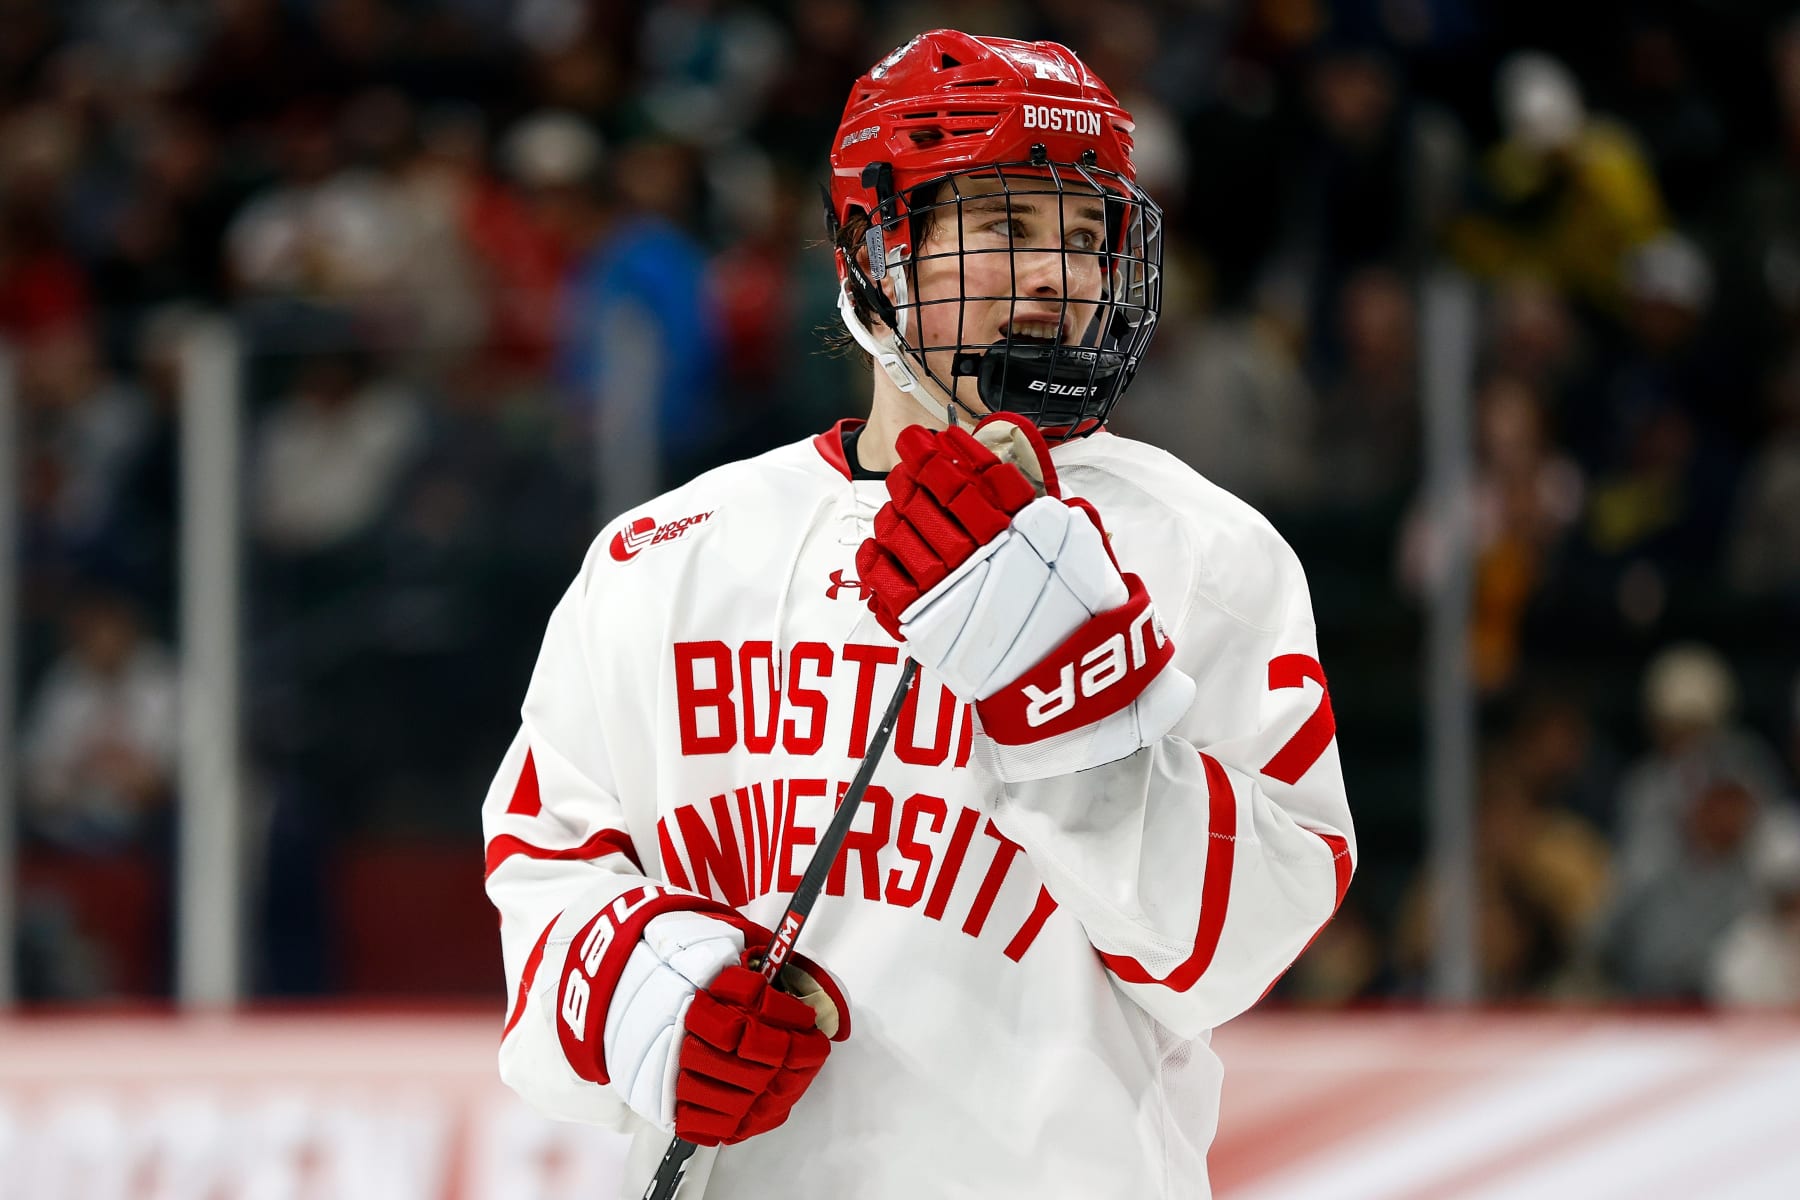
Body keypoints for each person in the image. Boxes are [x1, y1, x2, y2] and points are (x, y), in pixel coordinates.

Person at [482, 31, 1355, 1199]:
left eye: (1088, 236)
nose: (1060, 276)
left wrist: (1070, 697)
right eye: (1005, 229)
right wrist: (644, 996)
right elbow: (547, 876)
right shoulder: (661, 557)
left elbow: (1235, 953)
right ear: (870, 250)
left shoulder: (1199, 551)